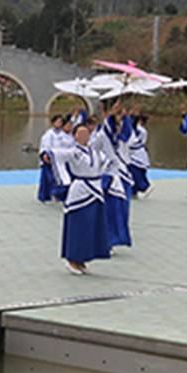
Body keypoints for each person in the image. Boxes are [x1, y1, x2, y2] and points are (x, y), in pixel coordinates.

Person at [50, 121, 112, 275]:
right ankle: (72, 259)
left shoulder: (96, 153)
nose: (84, 136)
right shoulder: (73, 152)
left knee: (91, 226)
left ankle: (83, 258)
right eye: (80, 133)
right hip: (80, 191)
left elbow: (109, 162)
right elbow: (55, 156)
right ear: (74, 136)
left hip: (95, 190)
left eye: (86, 133)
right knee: (78, 225)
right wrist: (64, 181)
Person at [98, 104, 135, 249]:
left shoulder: (125, 138)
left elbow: (128, 133)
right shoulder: (104, 136)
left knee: (121, 210)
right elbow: (106, 130)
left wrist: (123, 117)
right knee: (109, 209)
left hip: (123, 176)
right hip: (109, 175)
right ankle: (107, 240)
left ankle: (116, 238)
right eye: (117, 122)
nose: (119, 125)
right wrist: (111, 114)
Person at [37, 115, 65, 203]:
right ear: (53, 122)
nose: (59, 123)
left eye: (61, 122)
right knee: (49, 179)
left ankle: (59, 195)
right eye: (57, 121)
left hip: (60, 158)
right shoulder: (49, 134)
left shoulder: (63, 134)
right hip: (50, 159)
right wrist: (45, 155)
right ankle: (48, 195)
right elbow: (44, 146)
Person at [125, 111, 152, 198]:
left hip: (136, 154)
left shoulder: (139, 131)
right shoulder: (140, 130)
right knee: (132, 172)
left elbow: (132, 142)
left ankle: (145, 187)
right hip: (136, 153)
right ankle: (134, 191)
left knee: (135, 172)